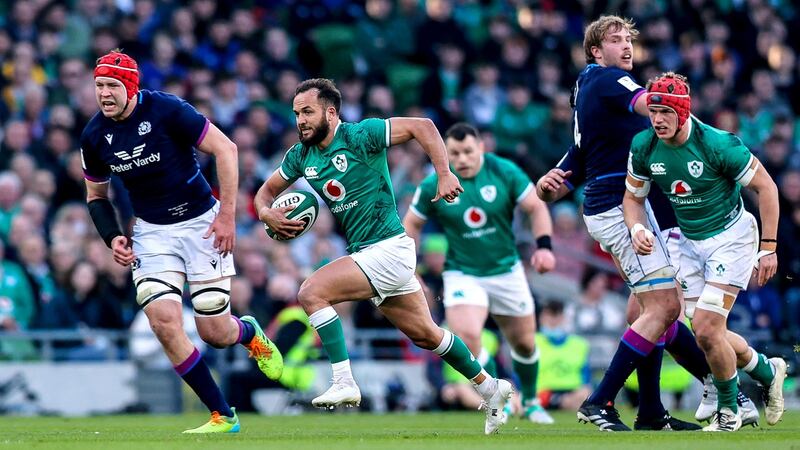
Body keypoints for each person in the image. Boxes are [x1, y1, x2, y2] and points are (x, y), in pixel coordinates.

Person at [254, 78, 513, 435]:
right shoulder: (300, 156)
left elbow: (423, 126)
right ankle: (490, 388)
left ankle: (343, 379)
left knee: (311, 292)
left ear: (331, 112)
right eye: (297, 113)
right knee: (427, 335)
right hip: (368, 253)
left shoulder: (362, 135)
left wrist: (443, 173)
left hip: (389, 248)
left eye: (308, 112)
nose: (300, 120)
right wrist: (266, 213)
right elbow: (264, 194)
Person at [80, 50, 283, 433]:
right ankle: (222, 414)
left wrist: (226, 216)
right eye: (99, 86)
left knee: (214, 332)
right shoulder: (93, 135)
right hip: (151, 233)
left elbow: (227, 149)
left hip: (202, 223)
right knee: (164, 323)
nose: (104, 94)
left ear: (130, 86)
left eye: (111, 86)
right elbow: (96, 197)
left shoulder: (168, 110)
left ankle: (249, 333)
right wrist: (112, 238)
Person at [536, 16, 701, 431]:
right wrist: (688, 116)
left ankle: (650, 412)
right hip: (618, 206)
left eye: (629, 39)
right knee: (664, 307)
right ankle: (600, 400)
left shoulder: (587, 85)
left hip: (617, 203)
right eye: (615, 39)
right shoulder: (611, 80)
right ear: (596, 50)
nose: (626, 46)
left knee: (646, 310)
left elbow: (580, 149)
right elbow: (655, 104)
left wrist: (555, 176)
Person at [624, 72, 787, 432]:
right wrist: (637, 227)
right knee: (705, 333)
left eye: (665, 111)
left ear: (682, 112)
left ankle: (730, 411)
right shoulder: (644, 146)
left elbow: (768, 188)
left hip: (732, 237)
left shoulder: (718, 144)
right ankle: (765, 369)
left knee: (708, 328)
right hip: (688, 241)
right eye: (653, 111)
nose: (657, 119)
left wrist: (769, 248)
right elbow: (632, 199)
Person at [403, 122, 556, 424]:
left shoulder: (504, 172)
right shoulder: (434, 182)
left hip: (506, 270)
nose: (462, 159)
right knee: (468, 335)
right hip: (462, 273)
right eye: (455, 153)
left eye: (468, 151)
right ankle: (501, 393)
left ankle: (531, 400)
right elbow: (411, 225)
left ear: (481, 148)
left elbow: (536, 207)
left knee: (524, 343)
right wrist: (410, 267)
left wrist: (544, 246)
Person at [534, 300, 591, 412]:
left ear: (565, 318)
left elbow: (586, 378)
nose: (553, 320)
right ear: (541, 318)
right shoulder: (532, 342)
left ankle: (566, 403)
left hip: (573, 392)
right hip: (542, 393)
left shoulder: (579, 344)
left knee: (585, 395)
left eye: (557, 315)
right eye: (549, 315)